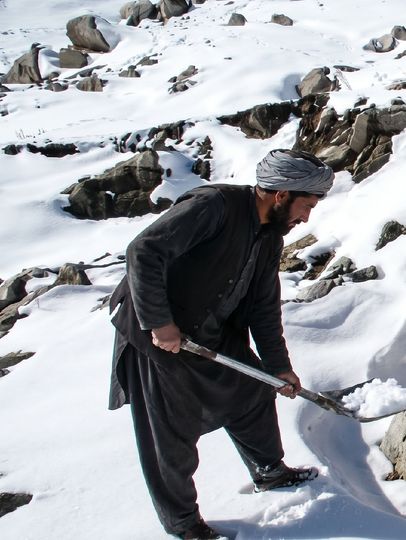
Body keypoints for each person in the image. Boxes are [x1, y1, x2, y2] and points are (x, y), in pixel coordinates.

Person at [108, 149, 336, 540]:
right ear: (280, 195)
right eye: (305, 206)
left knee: (254, 389)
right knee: (170, 434)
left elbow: (263, 308)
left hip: (211, 331)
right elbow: (143, 251)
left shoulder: (268, 239)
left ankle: (269, 471)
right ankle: (183, 524)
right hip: (159, 338)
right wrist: (160, 323)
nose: (306, 218)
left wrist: (278, 366)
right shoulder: (214, 205)